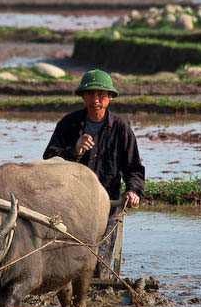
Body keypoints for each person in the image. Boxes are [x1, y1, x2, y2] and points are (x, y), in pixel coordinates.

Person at [43, 69, 145, 278]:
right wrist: (74, 150)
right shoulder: (68, 124)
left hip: (107, 206)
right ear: (83, 96)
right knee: (68, 265)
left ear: (110, 97)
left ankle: (99, 300)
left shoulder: (121, 129)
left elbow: (133, 168)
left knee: (99, 268)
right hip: (72, 207)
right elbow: (49, 159)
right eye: (90, 94)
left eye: (101, 94)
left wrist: (133, 191)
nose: (95, 99)